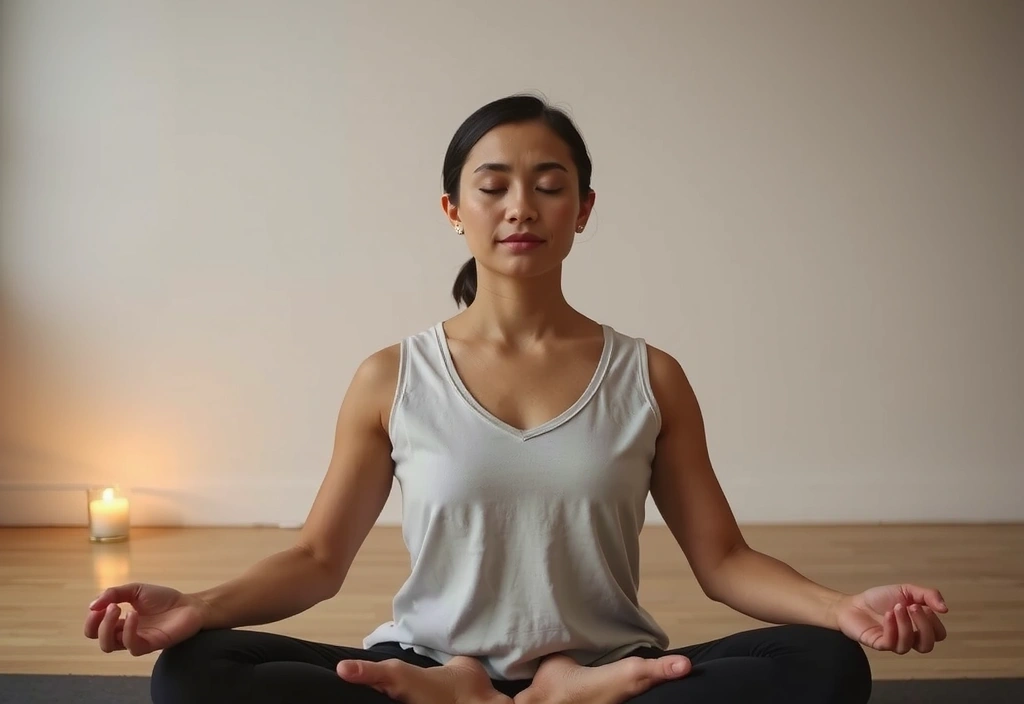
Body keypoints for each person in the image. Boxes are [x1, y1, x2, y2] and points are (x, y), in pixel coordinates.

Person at [84, 94, 949, 704]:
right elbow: (316, 558)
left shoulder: (650, 376)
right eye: (492, 184)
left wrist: (842, 609)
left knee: (825, 666)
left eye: (549, 182)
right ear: (453, 208)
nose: (519, 205)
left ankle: (568, 691)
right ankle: (458, 693)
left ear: (583, 209)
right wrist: (197, 608)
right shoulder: (393, 376)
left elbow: (723, 562)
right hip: (423, 670)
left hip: (611, 673)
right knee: (195, 673)